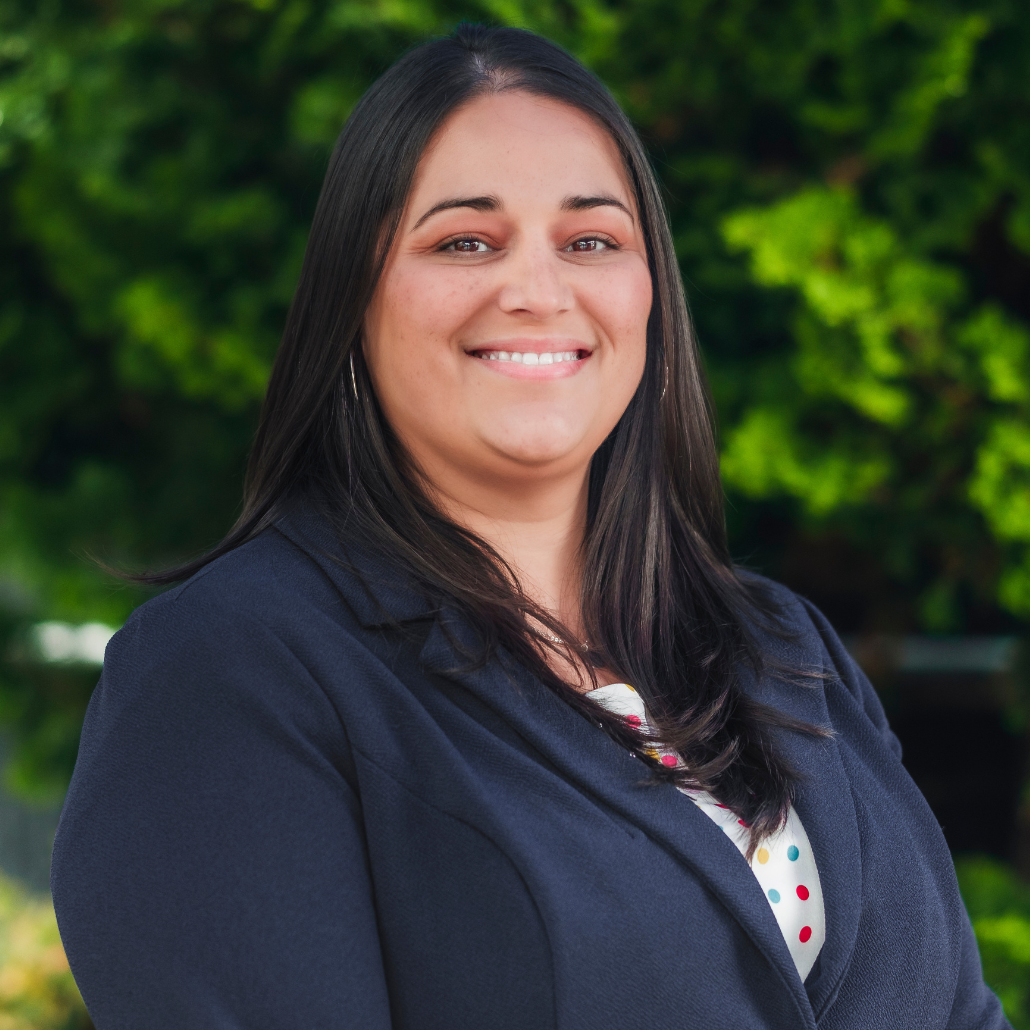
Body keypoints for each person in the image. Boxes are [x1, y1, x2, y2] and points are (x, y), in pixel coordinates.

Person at [51, 23, 1008, 1030]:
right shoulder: (231, 675)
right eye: (465, 240)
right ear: (354, 297)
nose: (538, 290)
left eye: (590, 240)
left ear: (649, 296)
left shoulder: (782, 646)